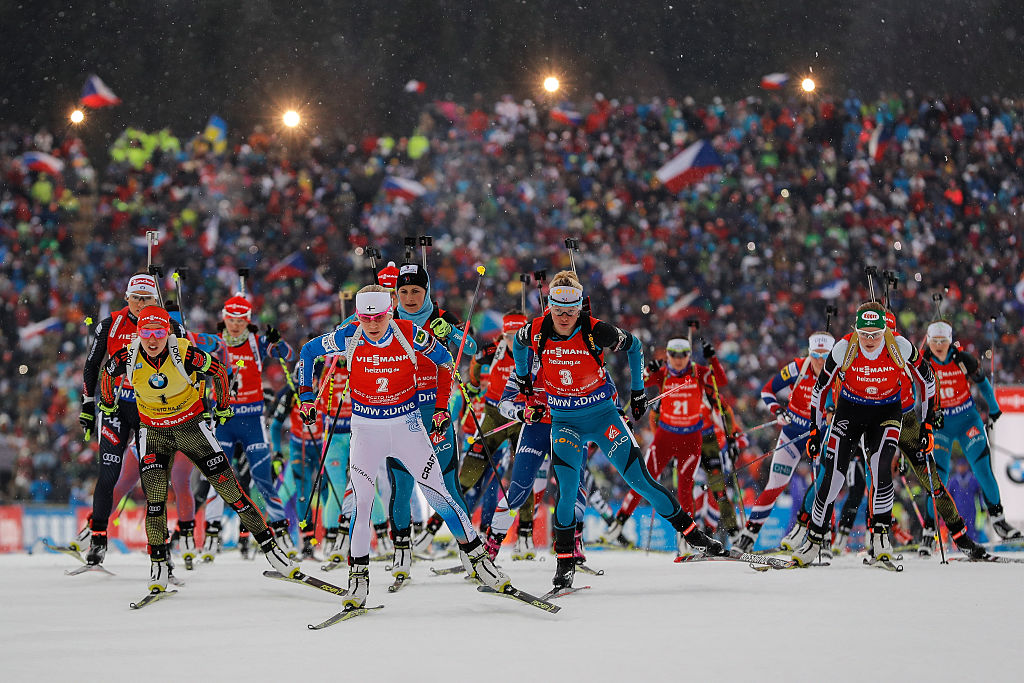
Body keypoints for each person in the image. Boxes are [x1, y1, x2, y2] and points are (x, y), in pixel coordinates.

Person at [295, 285, 508, 608]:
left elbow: (445, 360)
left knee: (440, 494)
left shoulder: (409, 332)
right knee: (362, 501)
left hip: (407, 425)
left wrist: (439, 408)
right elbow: (309, 352)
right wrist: (307, 396)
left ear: (389, 311)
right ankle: (358, 581)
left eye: (379, 316)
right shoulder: (348, 336)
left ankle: (480, 562)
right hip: (366, 428)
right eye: (366, 317)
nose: (373, 324)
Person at [512, 270, 724, 589]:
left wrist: (638, 391)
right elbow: (517, 344)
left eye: (571, 309)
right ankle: (565, 561)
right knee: (567, 491)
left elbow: (635, 346)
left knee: (641, 482)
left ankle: (693, 535)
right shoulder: (537, 330)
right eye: (559, 309)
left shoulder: (595, 330)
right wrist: (524, 381)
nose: (565, 316)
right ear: (550, 306)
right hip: (564, 420)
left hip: (603, 417)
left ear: (579, 307)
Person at [97, 306, 296, 593]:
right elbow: (106, 374)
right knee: (155, 502)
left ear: (167, 332)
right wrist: (105, 401)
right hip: (153, 432)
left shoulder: (183, 352)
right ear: (138, 333)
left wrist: (224, 406)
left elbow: (220, 371)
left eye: (159, 333)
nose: (152, 340)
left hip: (191, 428)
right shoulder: (127, 355)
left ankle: (271, 549)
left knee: (233, 494)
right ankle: (159, 564)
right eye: (146, 333)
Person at [793, 301, 936, 566]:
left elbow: (928, 379)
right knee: (833, 475)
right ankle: (813, 539)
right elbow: (819, 389)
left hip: (885, 413)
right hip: (850, 411)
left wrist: (926, 422)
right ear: (855, 329)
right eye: (864, 334)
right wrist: (815, 430)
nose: (870, 340)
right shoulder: (843, 347)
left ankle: (881, 537)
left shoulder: (900, 346)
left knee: (881, 467)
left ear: (885, 331)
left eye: (876, 334)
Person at [77, 273, 184, 567]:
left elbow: (188, 369)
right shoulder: (110, 325)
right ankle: (98, 537)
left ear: (156, 300)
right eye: (135, 297)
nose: (140, 304)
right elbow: (91, 367)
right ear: (126, 297)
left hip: (151, 412)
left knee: (154, 479)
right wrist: (87, 405)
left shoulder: (170, 327)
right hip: (114, 409)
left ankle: (160, 547)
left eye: (147, 298)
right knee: (109, 474)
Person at [386, 262, 477, 558]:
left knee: (448, 486)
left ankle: (470, 552)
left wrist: (450, 331)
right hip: (399, 413)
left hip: (435, 410)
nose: (409, 297)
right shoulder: (388, 319)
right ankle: (402, 552)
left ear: (426, 292)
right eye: (403, 291)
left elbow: (473, 348)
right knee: (401, 485)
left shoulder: (439, 316)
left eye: (416, 291)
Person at [603, 337, 726, 551]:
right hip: (665, 438)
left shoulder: (699, 372)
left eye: (683, 356)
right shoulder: (663, 373)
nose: (678, 361)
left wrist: (713, 358)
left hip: (691, 439)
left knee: (685, 488)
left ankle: (686, 538)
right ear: (667, 356)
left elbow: (721, 382)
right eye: (673, 356)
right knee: (642, 480)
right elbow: (638, 382)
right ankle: (618, 524)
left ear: (689, 355)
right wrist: (648, 370)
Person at [206, 294, 294, 559]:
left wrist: (278, 341)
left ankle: (281, 533)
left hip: (253, 420)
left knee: (263, 478)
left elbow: (288, 355)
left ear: (248, 320)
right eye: (231, 319)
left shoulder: (257, 342)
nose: (235, 325)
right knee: (217, 478)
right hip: (223, 420)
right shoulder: (215, 343)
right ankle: (212, 534)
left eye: (240, 320)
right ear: (224, 318)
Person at [733, 332, 834, 552]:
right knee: (775, 485)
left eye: (825, 355)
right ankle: (748, 536)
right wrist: (777, 410)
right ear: (809, 352)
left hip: (821, 436)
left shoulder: (837, 374)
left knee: (824, 485)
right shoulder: (797, 368)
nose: (819, 361)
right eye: (815, 354)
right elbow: (767, 390)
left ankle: (824, 537)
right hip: (792, 433)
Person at [922, 320, 1022, 540]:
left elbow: (983, 383)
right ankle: (929, 530)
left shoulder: (962, 359)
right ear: (928, 341)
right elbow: (913, 391)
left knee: (983, 470)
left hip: (967, 419)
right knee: (938, 478)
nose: (939, 345)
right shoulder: (924, 361)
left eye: (943, 340)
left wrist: (994, 410)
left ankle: (999, 520)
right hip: (941, 426)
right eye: (935, 340)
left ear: (950, 340)